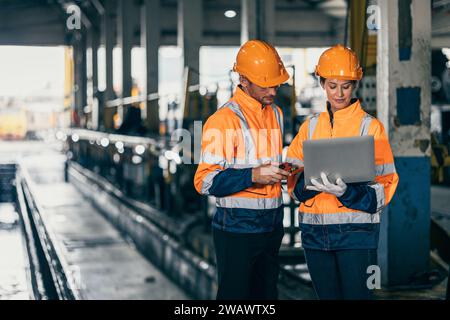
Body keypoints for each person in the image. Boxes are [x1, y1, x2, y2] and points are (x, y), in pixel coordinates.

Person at [286, 44, 399, 300]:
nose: (339, 93)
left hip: (358, 238)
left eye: (345, 86)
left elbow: (387, 184)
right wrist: (308, 184)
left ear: (355, 84)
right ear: (322, 83)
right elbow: (291, 181)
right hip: (315, 237)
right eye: (332, 85)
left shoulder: (371, 128)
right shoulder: (310, 128)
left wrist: (349, 193)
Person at [194, 40, 290, 300]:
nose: (272, 90)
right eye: (265, 84)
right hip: (237, 230)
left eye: (276, 83)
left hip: (271, 226)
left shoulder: (276, 114)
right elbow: (204, 181)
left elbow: (267, 160)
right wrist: (253, 175)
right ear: (244, 80)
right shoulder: (223, 121)